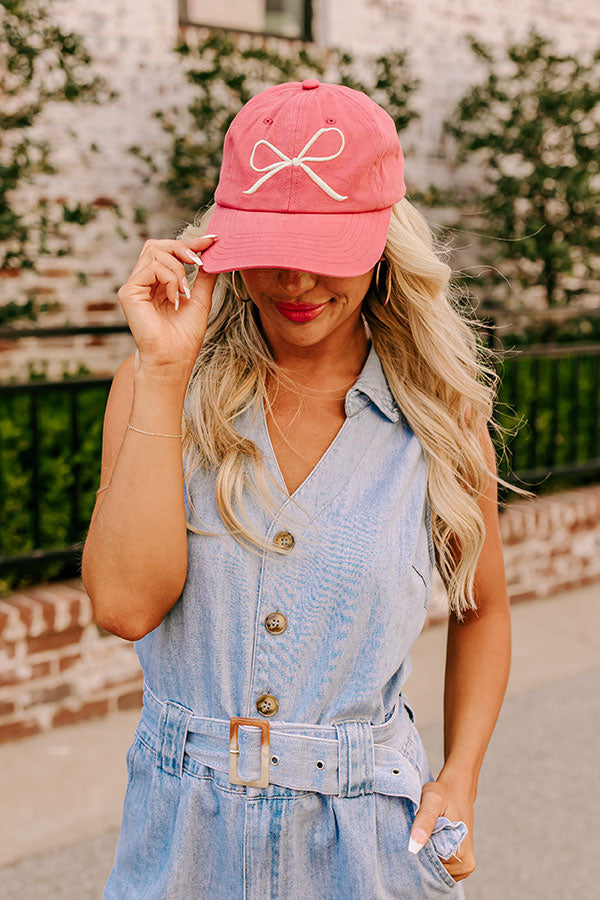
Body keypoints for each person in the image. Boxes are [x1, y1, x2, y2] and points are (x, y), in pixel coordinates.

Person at [83, 79, 520, 899]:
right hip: (182, 845)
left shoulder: (440, 416)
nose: (293, 279)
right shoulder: (155, 389)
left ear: (384, 243)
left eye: (326, 249)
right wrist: (166, 372)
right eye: (268, 244)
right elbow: (124, 607)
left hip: (370, 849)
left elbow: (484, 607)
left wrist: (460, 777)